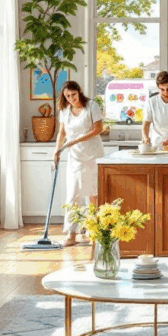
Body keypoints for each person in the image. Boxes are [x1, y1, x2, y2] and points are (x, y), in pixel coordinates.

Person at [54, 81, 105, 247]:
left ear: (79, 92)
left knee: (93, 195)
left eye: (73, 95)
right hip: (74, 157)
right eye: (67, 96)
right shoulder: (65, 110)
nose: (71, 99)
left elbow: (98, 129)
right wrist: (56, 150)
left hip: (92, 155)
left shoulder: (92, 106)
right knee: (73, 195)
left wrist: (75, 140)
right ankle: (71, 233)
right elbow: (62, 132)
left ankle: (93, 231)